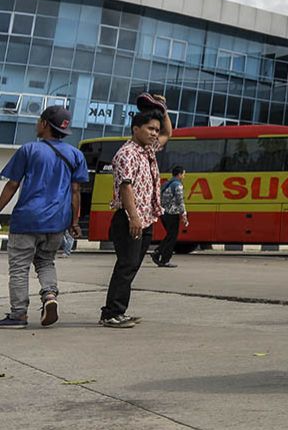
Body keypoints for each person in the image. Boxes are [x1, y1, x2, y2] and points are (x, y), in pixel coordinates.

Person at [0, 106, 86, 329]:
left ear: (45, 124)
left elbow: (12, 185)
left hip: (27, 219)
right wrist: (74, 222)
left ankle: (18, 314)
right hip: (57, 221)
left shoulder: (29, 150)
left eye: (39, 121)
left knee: (19, 267)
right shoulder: (76, 155)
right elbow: (75, 192)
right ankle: (49, 296)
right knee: (46, 261)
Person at [99, 97, 172, 328]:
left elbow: (168, 134)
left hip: (145, 219)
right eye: (150, 128)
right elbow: (125, 186)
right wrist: (134, 217)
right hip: (130, 219)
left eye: (155, 130)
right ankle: (111, 314)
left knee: (131, 266)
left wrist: (163, 110)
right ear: (136, 129)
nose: (154, 133)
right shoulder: (126, 154)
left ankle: (117, 311)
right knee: (126, 265)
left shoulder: (147, 150)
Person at [152, 165, 188, 268]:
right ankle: (164, 259)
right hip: (172, 214)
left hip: (163, 213)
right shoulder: (178, 185)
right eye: (183, 174)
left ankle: (158, 253)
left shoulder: (167, 183)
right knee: (172, 237)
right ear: (180, 174)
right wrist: (184, 215)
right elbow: (180, 201)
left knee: (170, 235)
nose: (184, 176)